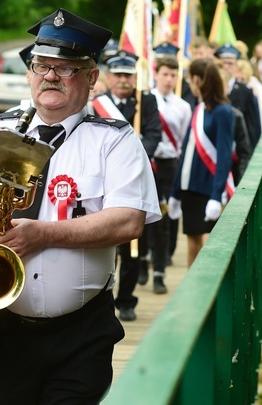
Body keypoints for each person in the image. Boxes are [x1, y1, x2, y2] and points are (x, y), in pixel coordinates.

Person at [0, 8, 161, 405]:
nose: (50, 76)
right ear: (29, 73)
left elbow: (129, 221)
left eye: (66, 67)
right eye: (41, 65)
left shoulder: (115, 140)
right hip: (4, 328)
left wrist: (43, 234)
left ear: (91, 78)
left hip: (82, 331)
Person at [90, 49, 162, 321]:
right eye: (118, 74)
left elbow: (154, 135)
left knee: (133, 245)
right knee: (104, 241)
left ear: (135, 78)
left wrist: (131, 158)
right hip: (103, 182)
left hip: (135, 178)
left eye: (127, 75)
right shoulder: (97, 104)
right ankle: (102, 296)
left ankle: (127, 300)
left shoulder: (146, 102)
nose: (122, 80)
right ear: (108, 77)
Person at [167, 59, 234, 267]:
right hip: (190, 186)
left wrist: (216, 196)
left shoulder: (223, 111)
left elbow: (224, 156)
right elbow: (186, 150)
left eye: (189, 79)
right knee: (193, 243)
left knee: (209, 245)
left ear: (197, 80)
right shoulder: (199, 108)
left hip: (208, 186)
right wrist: (176, 191)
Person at [144, 54, 191, 292]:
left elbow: (182, 138)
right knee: (143, 213)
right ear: (156, 74)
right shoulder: (145, 101)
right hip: (148, 162)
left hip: (169, 162)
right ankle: (143, 258)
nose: (169, 79)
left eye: (174, 75)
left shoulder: (183, 106)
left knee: (167, 212)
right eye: (165, 74)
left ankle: (161, 265)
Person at [216, 43, 261, 144]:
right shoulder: (212, 89)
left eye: (230, 63)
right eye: (223, 63)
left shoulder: (245, 91)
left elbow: (252, 125)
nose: (226, 67)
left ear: (237, 65)